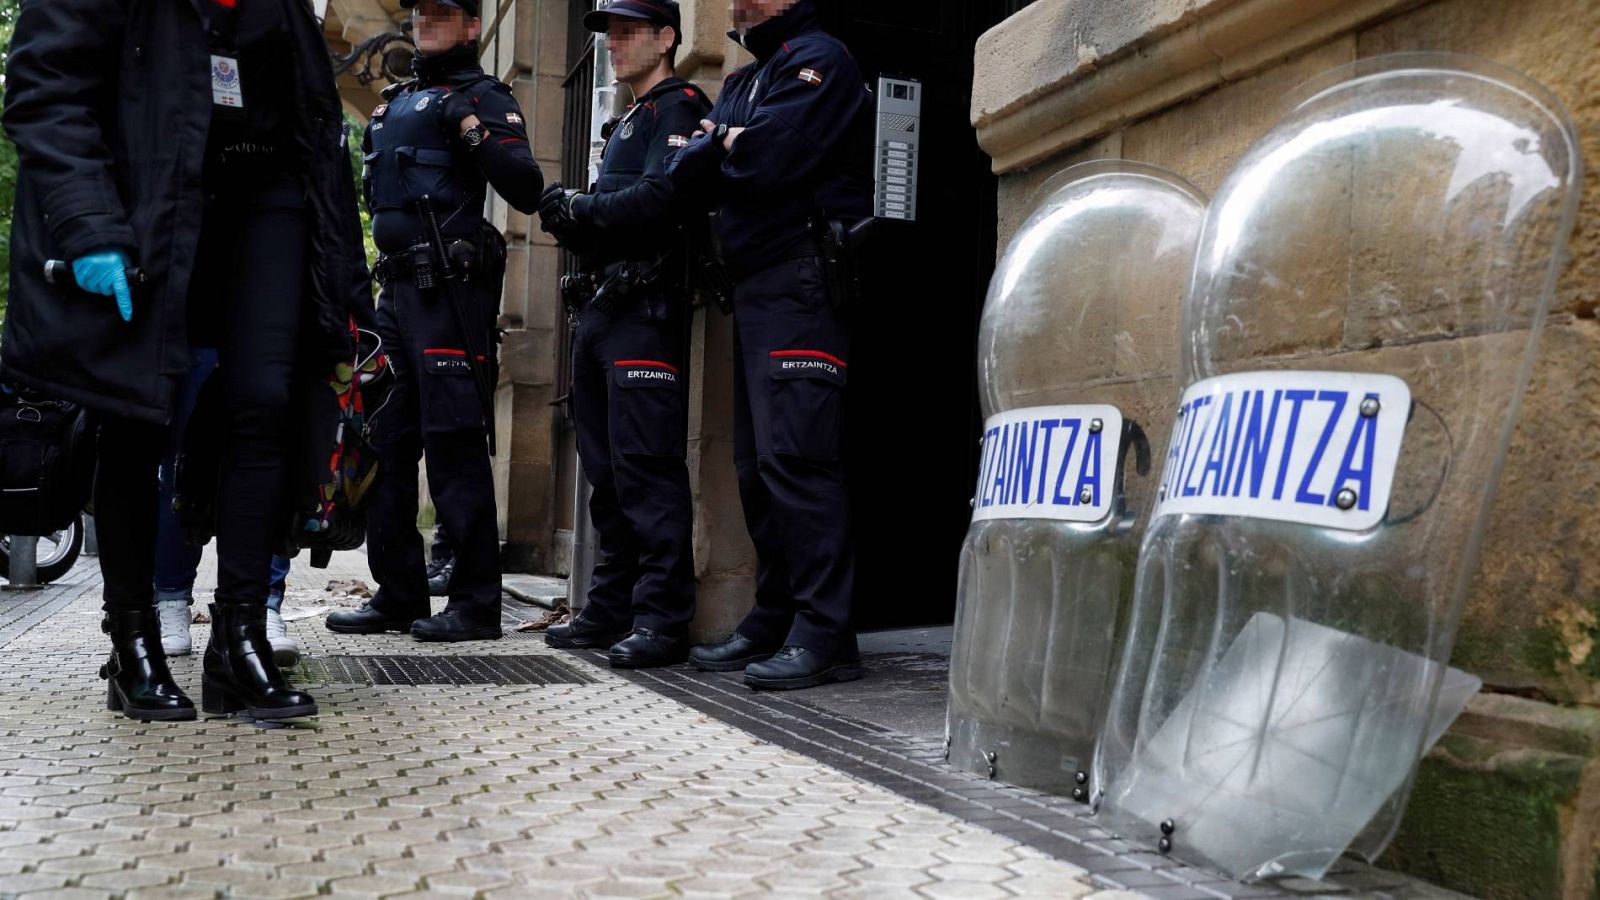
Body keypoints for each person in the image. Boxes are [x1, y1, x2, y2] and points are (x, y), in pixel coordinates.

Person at [2, 0, 373, 720]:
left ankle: (239, 642)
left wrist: (345, 288)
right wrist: (86, 223)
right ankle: (134, 641)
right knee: (139, 417)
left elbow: (317, 125)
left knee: (266, 405)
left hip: (267, 200)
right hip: (149, 198)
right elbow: (45, 87)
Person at [665, 0, 874, 690]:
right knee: (757, 468)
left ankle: (826, 631)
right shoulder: (747, 80)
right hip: (756, 288)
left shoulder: (821, 60)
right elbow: (690, 176)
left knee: (799, 458)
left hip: (803, 281)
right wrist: (723, 145)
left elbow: (768, 158)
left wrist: (725, 145)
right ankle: (775, 614)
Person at [325, 0, 543, 642]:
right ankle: (399, 595)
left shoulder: (483, 95)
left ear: (472, 27)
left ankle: (476, 605)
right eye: (421, 11)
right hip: (394, 293)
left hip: (450, 292)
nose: (426, 20)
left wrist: (470, 124)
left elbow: (526, 186)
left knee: (453, 443)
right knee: (383, 441)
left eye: (444, 12)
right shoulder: (396, 102)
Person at [538, 0, 710, 668]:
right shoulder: (628, 120)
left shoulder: (680, 108)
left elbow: (660, 202)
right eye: (610, 33)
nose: (613, 43)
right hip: (604, 310)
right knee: (606, 475)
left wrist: (581, 206)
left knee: (646, 469)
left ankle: (663, 620)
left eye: (629, 32)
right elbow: (613, 219)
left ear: (668, 38)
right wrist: (568, 215)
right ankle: (610, 607)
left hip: (645, 311)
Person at [155, 349, 299, 667]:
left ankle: (259, 608)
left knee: (268, 455)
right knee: (180, 466)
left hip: (265, 316)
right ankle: (171, 600)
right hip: (192, 326)